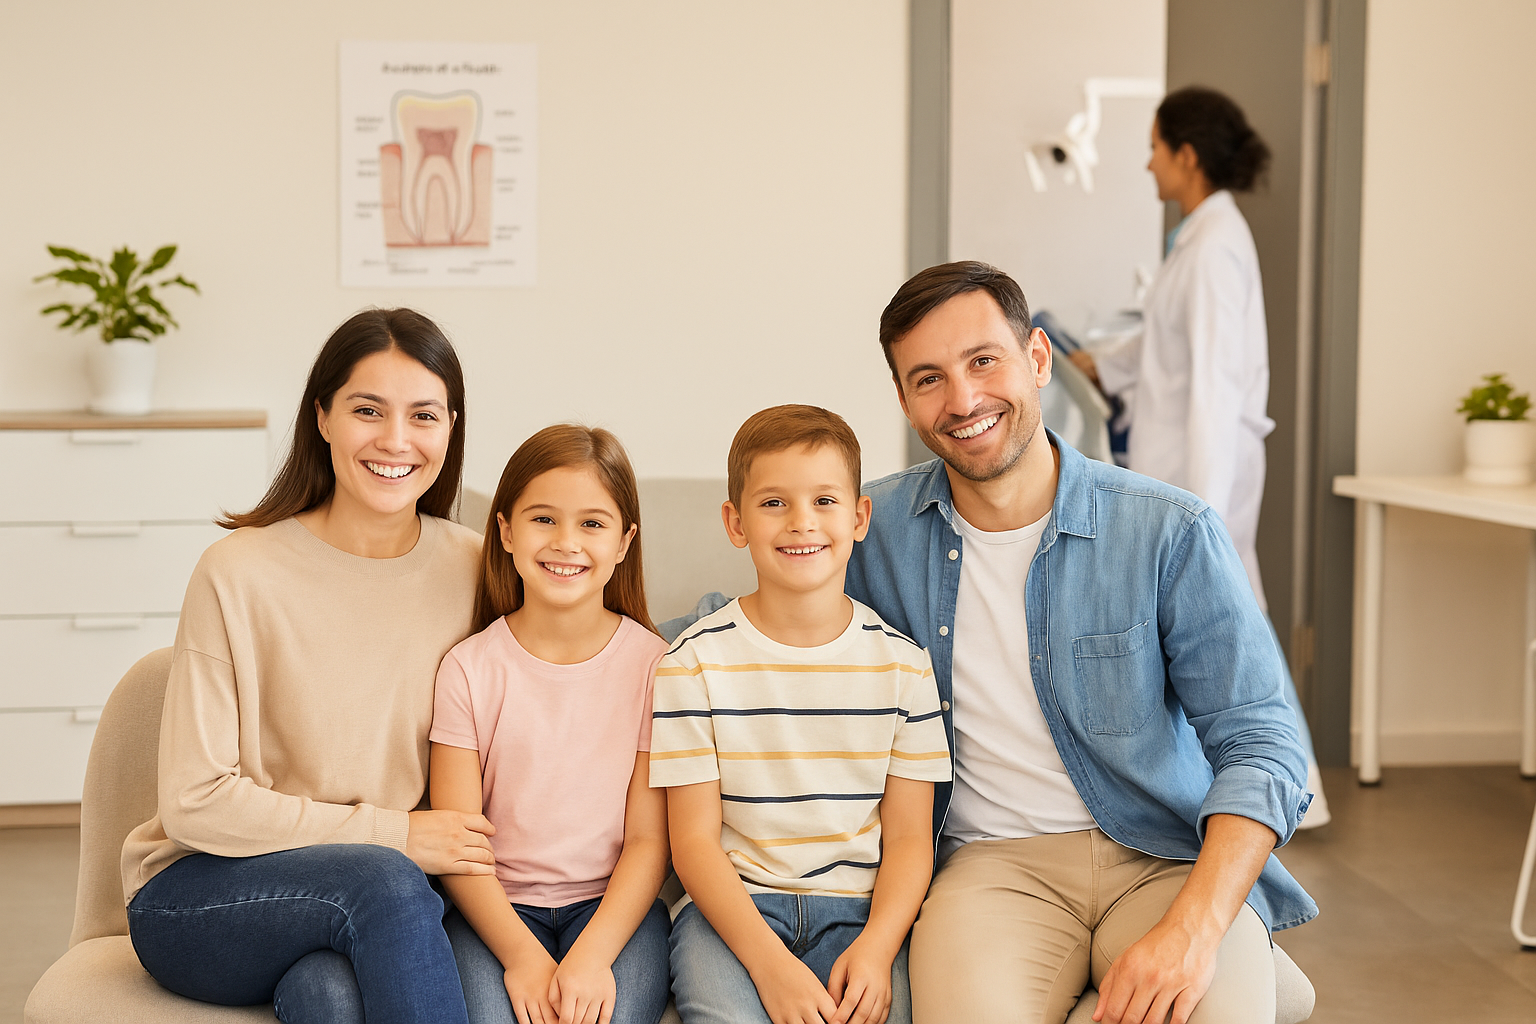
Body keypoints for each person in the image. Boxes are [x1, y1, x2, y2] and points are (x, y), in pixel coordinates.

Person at [846, 261, 1315, 1024]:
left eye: (983, 361)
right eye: (928, 379)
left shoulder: (1168, 530)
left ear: (1037, 358)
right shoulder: (873, 531)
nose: (963, 401)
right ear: (904, 400)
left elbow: (1263, 742)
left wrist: (1197, 929)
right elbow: (761, 613)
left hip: (1164, 854)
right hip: (989, 868)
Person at [121, 308, 493, 1023]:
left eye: (424, 416)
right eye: (367, 410)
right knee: (383, 883)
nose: (395, 440)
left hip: (380, 898)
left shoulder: (475, 567)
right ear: (321, 417)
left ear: (452, 428)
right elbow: (196, 802)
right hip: (202, 895)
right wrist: (397, 834)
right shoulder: (238, 572)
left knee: (328, 992)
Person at [1069, 85, 1329, 826]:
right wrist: (1100, 363)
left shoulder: (1214, 247)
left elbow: (1213, 383)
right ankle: (1274, 779)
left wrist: (1202, 512)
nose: (1147, 164)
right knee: (1232, 620)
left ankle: (1286, 785)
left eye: (1154, 148)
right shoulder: (1200, 238)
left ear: (1185, 155)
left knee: (1232, 620)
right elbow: (1167, 350)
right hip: (1189, 466)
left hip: (1204, 470)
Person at [652, 405, 952, 1024]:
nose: (801, 523)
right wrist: (770, 966)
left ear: (860, 517)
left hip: (863, 916)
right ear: (735, 523)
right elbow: (693, 843)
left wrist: (877, 948)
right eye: (773, 504)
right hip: (733, 917)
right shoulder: (691, 665)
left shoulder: (905, 667)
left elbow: (908, 840)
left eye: (823, 501)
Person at [429, 424, 673, 1024]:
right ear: (507, 531)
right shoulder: (468, 668)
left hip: (612, 911)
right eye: (544, 519)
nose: (567, 542)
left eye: (592, 523)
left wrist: (591, 957)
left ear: (624, 541)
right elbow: (460, 843)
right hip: (497, 911)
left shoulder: (656, 667)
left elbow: (648, 841)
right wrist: (521, 957)